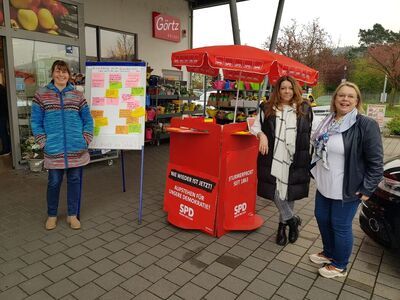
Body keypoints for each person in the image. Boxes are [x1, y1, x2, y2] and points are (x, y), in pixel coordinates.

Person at [309, 81, 383, 279]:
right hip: (325, 183)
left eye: (350, 96)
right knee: (322, 219)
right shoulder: (329, 121)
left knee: (339, 225)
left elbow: (376, 162)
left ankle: (340, 264)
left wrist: (368, 188)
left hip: (348, 187)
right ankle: (329, 252)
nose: (345, 99)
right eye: (341, 95)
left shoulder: (366, 124)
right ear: (335, 99)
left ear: (357, 101)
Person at [31, 60, 94, 230]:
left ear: (69, 75)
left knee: (74, 180)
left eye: (64, 72)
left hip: (76, 148)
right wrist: (43, 142)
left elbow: (88, 119)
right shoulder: (41, 95)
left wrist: (86, 138)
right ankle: (52, 215)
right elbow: (36, 122)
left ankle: (72, 215)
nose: (61, 75)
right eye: (58, 72)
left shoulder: (77, 95)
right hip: (54, 149)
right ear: (52, 73)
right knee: (53, 182)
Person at [251, 76, 313, 246]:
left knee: (289, 191)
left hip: (295, 157)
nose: (287, 91)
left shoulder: (305, 108)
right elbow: (255, 126)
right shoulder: (267, 107)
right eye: (283, 88)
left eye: (290, 88)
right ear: (277, 90)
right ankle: (292, 220)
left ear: (295, 90)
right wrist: (261, 135)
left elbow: (311, 132)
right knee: (277, 192)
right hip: (273, 157)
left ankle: (282, 227)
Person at [0, 83, 11, 155]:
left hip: (1, 113)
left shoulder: (1, 89)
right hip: (4, 112)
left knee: (3, 131)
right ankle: (7, 148)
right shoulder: (2, 88)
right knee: (4, 131)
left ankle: (6, 149)